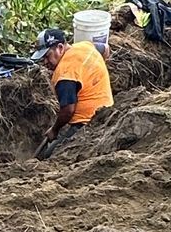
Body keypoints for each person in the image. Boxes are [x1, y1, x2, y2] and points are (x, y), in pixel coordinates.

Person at [34, 26, 114, 155]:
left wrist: (54, 130)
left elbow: (68, 111)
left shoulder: (65, 74)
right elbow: (105, 49)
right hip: (108, 110)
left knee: (50, 155)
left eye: (47, 56)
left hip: (87, 122)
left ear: (60, 48)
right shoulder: (84, 46)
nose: (44, 62)